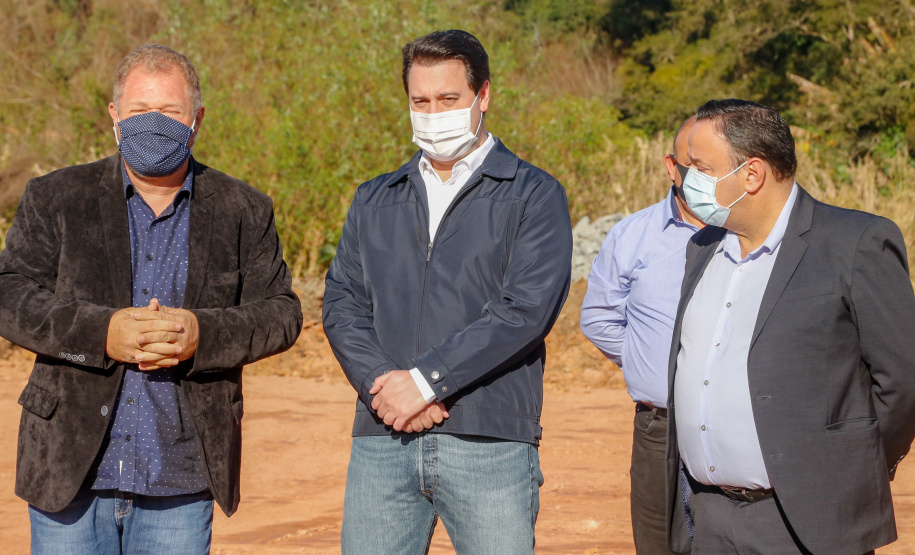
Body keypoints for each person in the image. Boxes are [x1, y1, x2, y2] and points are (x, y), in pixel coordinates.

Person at [0, 44, 303, 553]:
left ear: (197, 119)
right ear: (115, 116)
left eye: (170, 112)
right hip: (67, 472)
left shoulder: (243, 209)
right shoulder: (56, 197)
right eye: (141, 111)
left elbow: (282, 312)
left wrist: (201, 335)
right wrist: (102, 333)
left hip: (181, 476)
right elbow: (8, 294)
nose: (154, 123)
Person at [323, 29, 572, 554]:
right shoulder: (375, 199)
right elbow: (343, 303)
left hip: (489, 440)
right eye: (421, 101)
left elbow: (525, 311)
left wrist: (427, 381)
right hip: (383, 436)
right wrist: (384, 386)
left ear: (483, 96)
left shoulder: (532, 194)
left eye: (449, 99)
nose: (434, 113)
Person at [665, 98, 915, 554]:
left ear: (752, 174)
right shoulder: (702, 248)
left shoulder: (854, 243)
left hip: (809, 522)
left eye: (699, 166)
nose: (685, 179)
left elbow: (901, 379)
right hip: (708, 518)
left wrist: (855, 468)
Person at [580, 115, 701, 554]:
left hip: (734, 425)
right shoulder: (633, 234)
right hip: (659, 425)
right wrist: (648, 360)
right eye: (695, 166)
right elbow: (598, 317)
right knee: (657, 543)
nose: (705, 178)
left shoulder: (744, 233)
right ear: (671, 166)